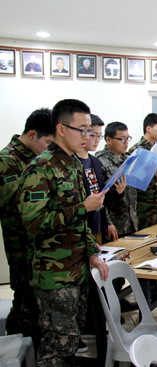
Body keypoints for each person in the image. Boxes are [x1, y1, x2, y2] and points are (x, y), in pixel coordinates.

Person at [17, 99, 109, 366]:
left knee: (70, 340)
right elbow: (33, 223)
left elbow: (78, 225)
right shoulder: (40, 168)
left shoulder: (72, 165)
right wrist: (83, 207)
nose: (88, 136)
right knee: (56, 345)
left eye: (89, 130)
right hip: (53, 274)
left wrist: (92, 252)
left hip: (76, 268)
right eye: (82, 130)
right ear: (60, 128)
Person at [0, 108, 53, 350]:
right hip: (21, 243)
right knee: (23, 299)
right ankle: (16, 351)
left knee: (36, 301)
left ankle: (34, 348)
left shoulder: (36, 158)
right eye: (47, 142)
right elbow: (15, 201)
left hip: (39, 244)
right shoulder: (6, 161)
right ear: (32, 134)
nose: (49, 148)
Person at [76, 114, 125, 244]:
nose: (97, 140)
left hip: (97, 225)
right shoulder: (72, 163)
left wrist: (117, 192)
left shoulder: (95, 161)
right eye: (93, 135)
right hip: (81, 226)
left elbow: (101, 195)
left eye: (99, 136)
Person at [127, 113, 157, 229]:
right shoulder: (138, 150)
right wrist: (155, 178)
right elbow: (132, 180)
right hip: (144, 207)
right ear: (148, 128)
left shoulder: (155, 149)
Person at [96, 122, 138, 237]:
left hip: (131, 222)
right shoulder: (99, 161)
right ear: (108, 140)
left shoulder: (129, 159)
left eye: (128, 138)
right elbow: (99, 197)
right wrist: (108, 223)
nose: (126, 143)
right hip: (114, 225)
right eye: (122, 139)